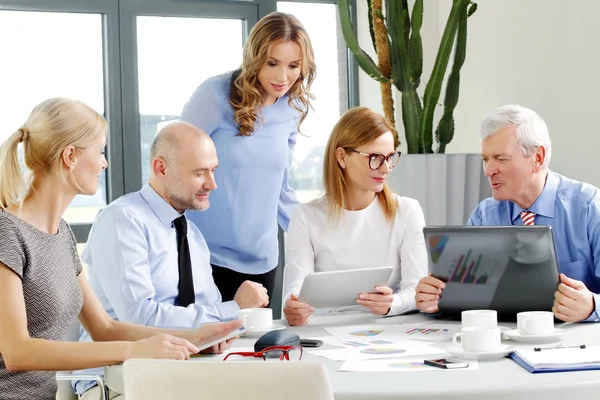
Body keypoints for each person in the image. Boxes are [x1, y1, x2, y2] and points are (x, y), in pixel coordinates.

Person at [0, 98, 242, 400]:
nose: (104, 162)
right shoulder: (6, 232)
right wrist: (133, 350)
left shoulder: (60, 234)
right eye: (100, 152)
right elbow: (17, 351)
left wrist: (192, 338)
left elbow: (105, 328)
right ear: (70, 156)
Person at [73, 121, 268, 399]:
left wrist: (214, 336)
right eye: (200, 173)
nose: (212, 184)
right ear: (161, 168)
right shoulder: (123, 220)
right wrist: (232, 308)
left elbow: (204, 315)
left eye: (213, 171)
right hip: (117, 381)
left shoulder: (193, 236)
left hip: (180, 373)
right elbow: (141, 317)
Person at [415, 104, 600, 323]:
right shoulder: (484, 215)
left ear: (537, 158)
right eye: (485, 159)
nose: (487, 171)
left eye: (501, 159)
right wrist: (435, 300)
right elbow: (464, 296)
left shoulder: (588, 207)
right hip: (501, 340)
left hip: (574, 345)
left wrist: (592, 306)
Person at [179, 11, 316, 302]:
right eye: (272, 63)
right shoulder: (215, 94)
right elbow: (174, 161)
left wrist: (314, 239)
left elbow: (281, 188)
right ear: (255, 58)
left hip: (263, 261)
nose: (283, 77)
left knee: (254, 346)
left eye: (293, 66)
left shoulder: (292, 108)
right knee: (207, 345)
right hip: (205, 257)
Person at [282, 107, 428, 326]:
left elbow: (417, 289)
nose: (386, 168)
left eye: (390, 157)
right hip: (325, 330)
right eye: (375, 158)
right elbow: (295, 291)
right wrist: (294, 308)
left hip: (388, 328)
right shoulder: (306, 217)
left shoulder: (407, 211)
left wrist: (392, 303)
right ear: (342, 156)